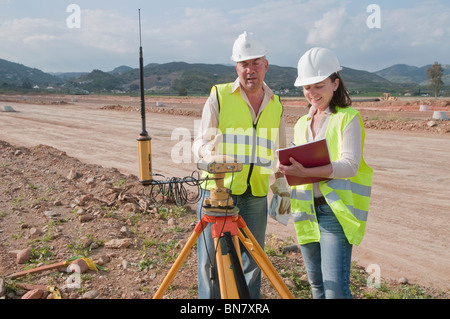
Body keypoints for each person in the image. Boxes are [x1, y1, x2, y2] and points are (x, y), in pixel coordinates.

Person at [192, 31, 289, 299]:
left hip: (255, 195)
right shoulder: (220, 96)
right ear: (236, 67)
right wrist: (207, 153)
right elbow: (199, 142)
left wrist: (281, 186)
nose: (250, 70)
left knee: (253, 263)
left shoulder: (276, 104)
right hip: (217, 195)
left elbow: (280, 150)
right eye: (244, 64)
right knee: (211, 265)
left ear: (265, 65)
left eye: (256, 63)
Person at [277, 47, 373, 299]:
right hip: (305, 210)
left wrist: (306, 170)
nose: (312, 93)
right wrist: (288, 170)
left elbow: (350, 165)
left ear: (335, 83)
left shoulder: (348, 118)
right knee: (317, 287)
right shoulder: (301, 124)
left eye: (319, 85)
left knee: (335, 291)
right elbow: (300, 170)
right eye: (307, 87)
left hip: (334, 213)